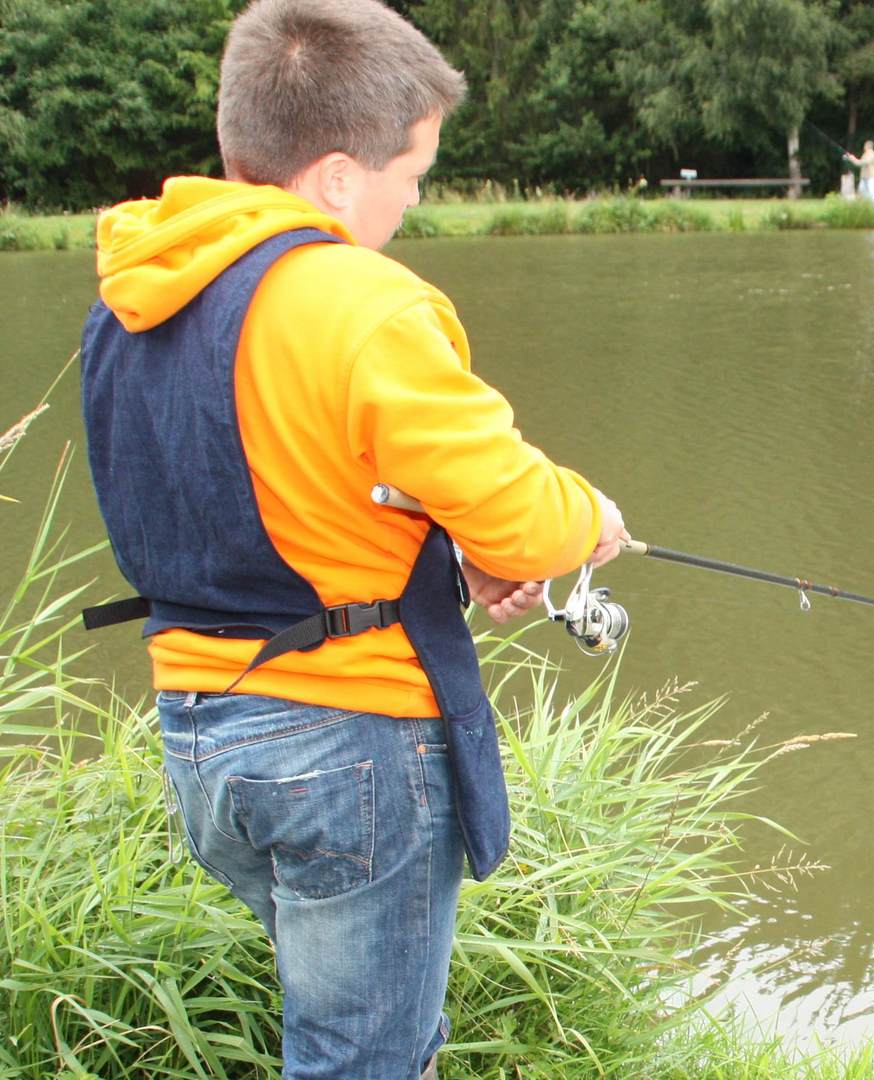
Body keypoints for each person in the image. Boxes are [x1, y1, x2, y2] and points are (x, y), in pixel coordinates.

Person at [76, 1, 626, 1076]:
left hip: (201, 734)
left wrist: (459, 567)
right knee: (367, 1058)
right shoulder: (358, 301)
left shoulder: (136, 293)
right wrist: (589, 520)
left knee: (340, 1038)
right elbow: (518, 504)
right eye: (412, 176)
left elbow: (274, 496)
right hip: (347, 748)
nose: (412, 202)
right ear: (336, 176)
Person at [845, 139, 874, 205]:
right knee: (862, 191)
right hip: (864, 176)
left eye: (865, 145)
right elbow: (859, 163)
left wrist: (853, 159)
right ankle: (865, 206)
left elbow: (862, 162)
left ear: (868, 146)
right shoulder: (866, 154)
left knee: (872, 191)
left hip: (871, 176)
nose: (864, 147)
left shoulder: (872, 154)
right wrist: (850, 158)